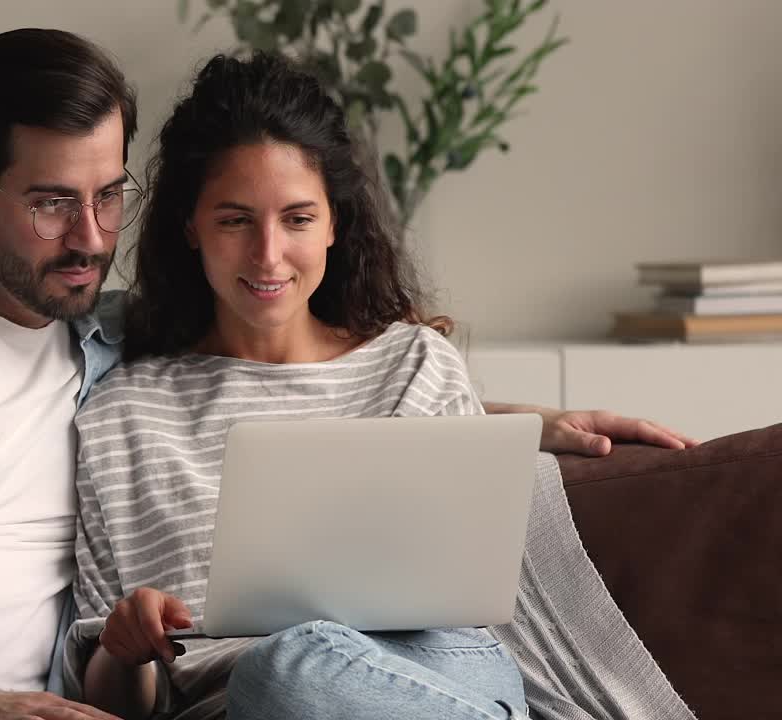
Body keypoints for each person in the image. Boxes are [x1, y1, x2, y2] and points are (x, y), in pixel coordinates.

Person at [0, 29, 693, 720]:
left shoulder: (120, 333)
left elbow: (297, 369)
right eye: (47, 201)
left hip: (377, 676)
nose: (87, 237)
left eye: (106, 195)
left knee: (299, 667)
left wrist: (517, 427)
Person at [65, 52, 639, 720]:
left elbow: (476, 610)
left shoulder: (414, 366)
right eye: (235, 219)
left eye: (298, 219)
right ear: (189, 225)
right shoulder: (123, 418)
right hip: (256, 701)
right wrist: (125, 644)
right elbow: (111, 704)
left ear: (336, 222)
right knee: (282, 669)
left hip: (439, 670)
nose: (269, 254)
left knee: (296, 661)